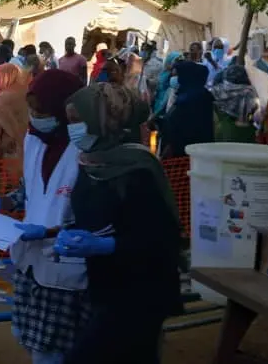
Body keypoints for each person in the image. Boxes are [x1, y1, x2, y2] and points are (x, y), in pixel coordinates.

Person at [55, 82, 183, 364]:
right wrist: (66, 232)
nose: (72, 129)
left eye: (78, 121)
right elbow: (93, 215)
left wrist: (107, 245)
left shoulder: (138, 170)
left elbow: (161, 240)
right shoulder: (92, 162)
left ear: (104, 121)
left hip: (141, 289)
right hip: (107, 284)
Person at [0, 69, 87, 364]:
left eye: (43, 110)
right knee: (33, 340)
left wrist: (49, 232)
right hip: (30, 260)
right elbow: (29, 188)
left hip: (65, 263)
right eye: (33, 110)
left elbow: (93, 213)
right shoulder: (34, 140)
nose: (36, 116)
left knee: (57, 349)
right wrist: (3, 200)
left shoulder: (85, 150)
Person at [161, 61, 214, 158]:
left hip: (187, 151)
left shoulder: (192, 98)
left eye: (178, 75)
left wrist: (170, 145)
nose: (175, 78)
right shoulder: (189, 94)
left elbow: (183, 126)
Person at [211, 64, 260, 143]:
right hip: (247, 132)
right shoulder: (250, 92)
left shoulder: (217, 91)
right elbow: (254, 112)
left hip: (223, 133)